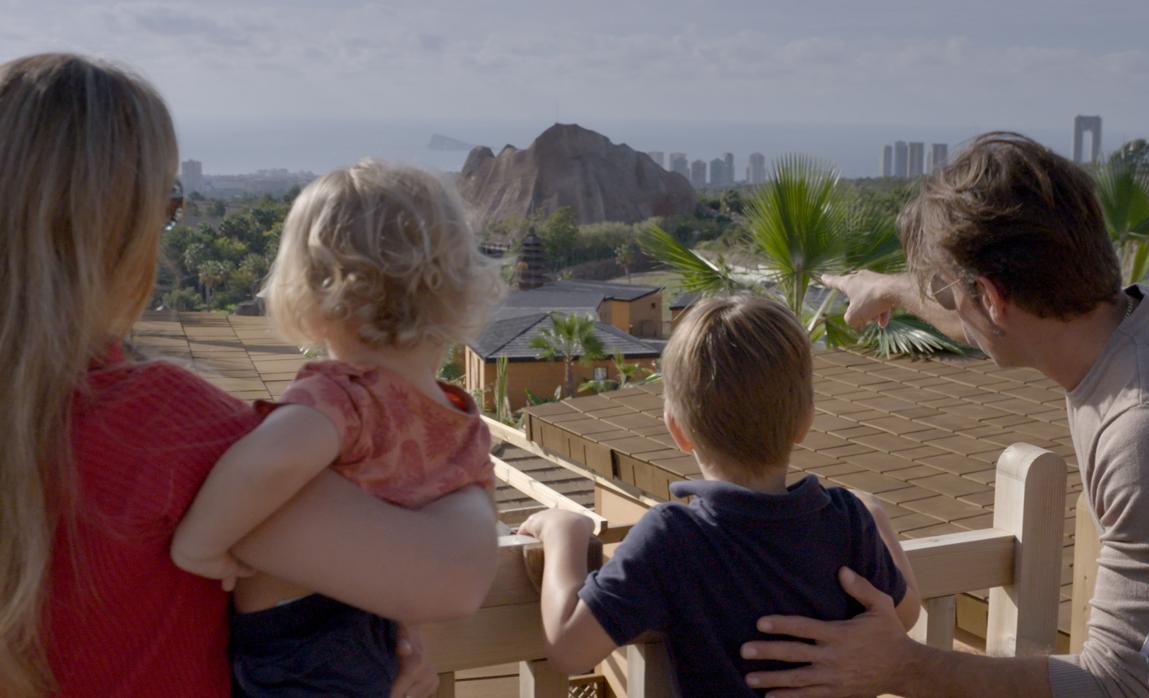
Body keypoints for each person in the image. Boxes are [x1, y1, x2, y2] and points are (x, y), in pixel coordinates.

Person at [0, 53, 498, 698]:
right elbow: (451, 580)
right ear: (120, 227)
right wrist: (468, 473)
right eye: (169, 207)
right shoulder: (161, 427)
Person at [741, 132, 1149, 698]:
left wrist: (899, 666)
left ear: (991, 296)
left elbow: (1123, 687)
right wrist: (894, 288)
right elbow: (983, 312)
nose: (945, 302)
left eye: (946, 290)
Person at [172, 159, 504, 696]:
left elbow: (273, 459)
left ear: (310, 290)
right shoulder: (457, 419)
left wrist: (200, 543)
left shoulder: (344, 396)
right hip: (374, 639)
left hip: (298, 649)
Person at [519, 296, 921, 697]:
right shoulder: (846, 520)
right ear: (805, 420)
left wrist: (563, 533)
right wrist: (874, 513)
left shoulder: (672, 538)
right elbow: (904, 614)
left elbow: (571, 649)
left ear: (677, 431)